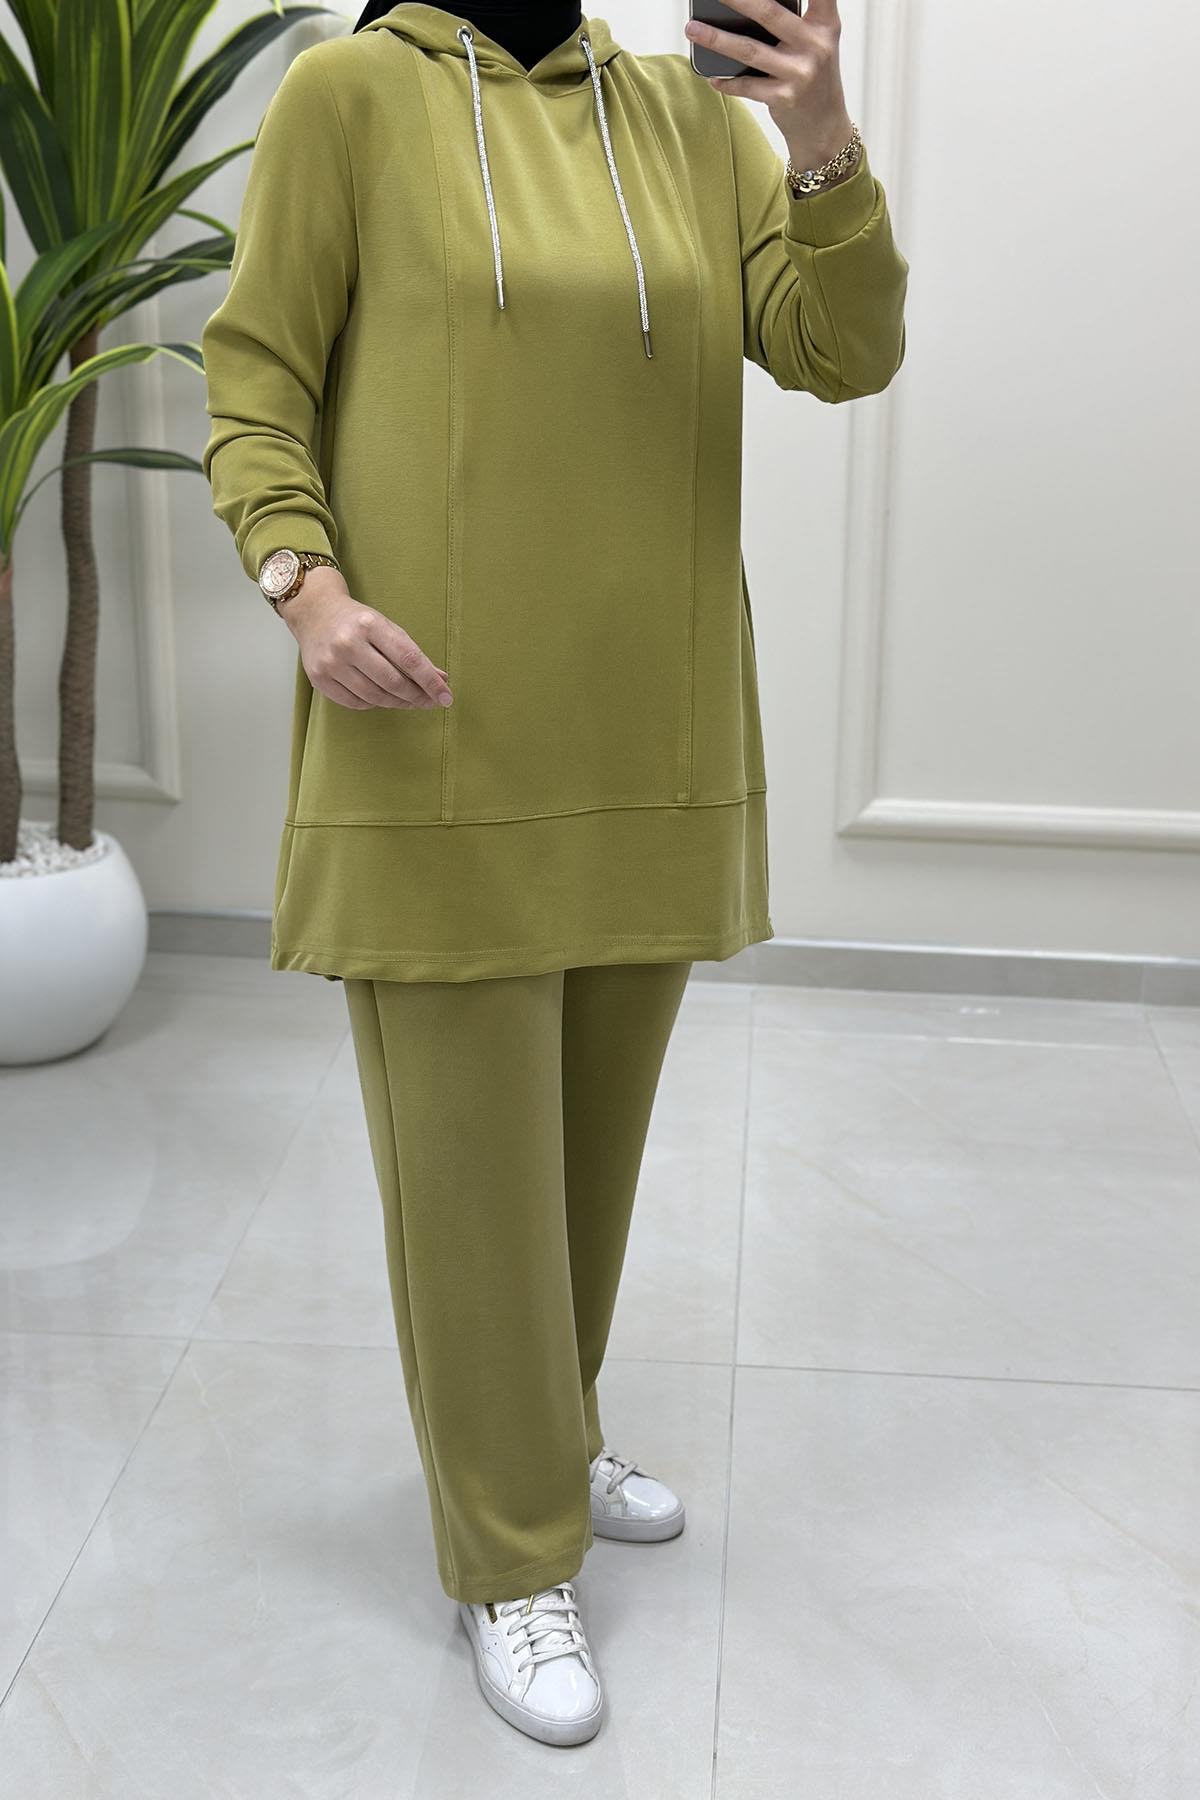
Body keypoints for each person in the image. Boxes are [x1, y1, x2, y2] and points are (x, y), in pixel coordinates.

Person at [200, 0, 907, 1748]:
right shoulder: (349, 96)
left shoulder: (690, 122)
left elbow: (842, 352)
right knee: (471, 1180)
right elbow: (255, 371)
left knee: (586, 1157)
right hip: (433, 728)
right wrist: (305, 587)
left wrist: (819, 134)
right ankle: (508, 1555)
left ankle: (545, 1441)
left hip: (643, 731)